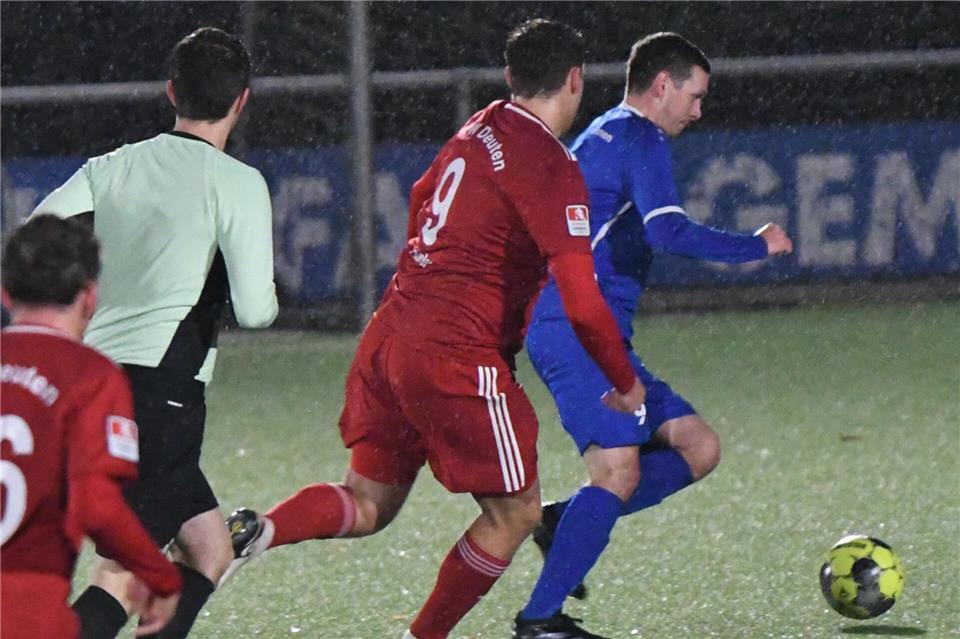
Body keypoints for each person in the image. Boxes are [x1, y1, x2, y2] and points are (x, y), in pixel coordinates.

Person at [218, 19, 645, 639]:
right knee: (517, 513)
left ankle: (262, 529)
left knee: (367, 503)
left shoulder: (479, 127)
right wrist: (624, 381)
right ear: (576, 81)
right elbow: (582, 302)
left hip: (391, 333)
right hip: (454, 353)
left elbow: (421, 204)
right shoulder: (550, 164)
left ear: (510, 77)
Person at [515, 32, 794, 638]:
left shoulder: (606, 130)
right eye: (693, 95)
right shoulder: (639, 137)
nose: (698, 110)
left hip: (594, 330)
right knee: (618, 474)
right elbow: (667, 232)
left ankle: (564, 521)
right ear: (661, 85)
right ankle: (540, 622)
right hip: (573, 328)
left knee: (698, 447)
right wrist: (757, 245)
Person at [31, 27, 278, 639]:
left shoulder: (111, 166)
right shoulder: (238, 184)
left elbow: (37, 232)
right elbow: (255, 311)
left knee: (209, 550)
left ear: (172, 92)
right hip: (158, 400)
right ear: (243, 100)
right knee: (119, 574)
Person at [0, 215, 183, 639]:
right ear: (90, 297)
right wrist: (160, 576)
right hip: (25, 612)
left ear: (6, 294)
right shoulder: (92, 376)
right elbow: (97, 505)